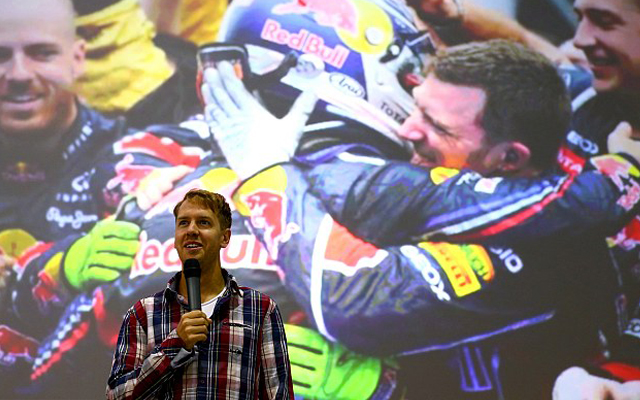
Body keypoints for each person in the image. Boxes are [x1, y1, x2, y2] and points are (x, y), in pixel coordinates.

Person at [203, 37, 640, 398]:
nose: (408, 129)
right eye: (417, 107)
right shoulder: (451, 179)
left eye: (437, 125)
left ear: (508, 159)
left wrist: (268, 174)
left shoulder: (539, 245)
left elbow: (349, 301)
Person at [106, 189, 294, 400]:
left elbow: (279, 394)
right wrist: (175, 345)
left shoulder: (260, 309)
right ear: (175, 238)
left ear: (225, 237)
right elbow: (116, 396)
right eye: (183, 223)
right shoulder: (143, 313)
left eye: (203, 222)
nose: (191, 230)